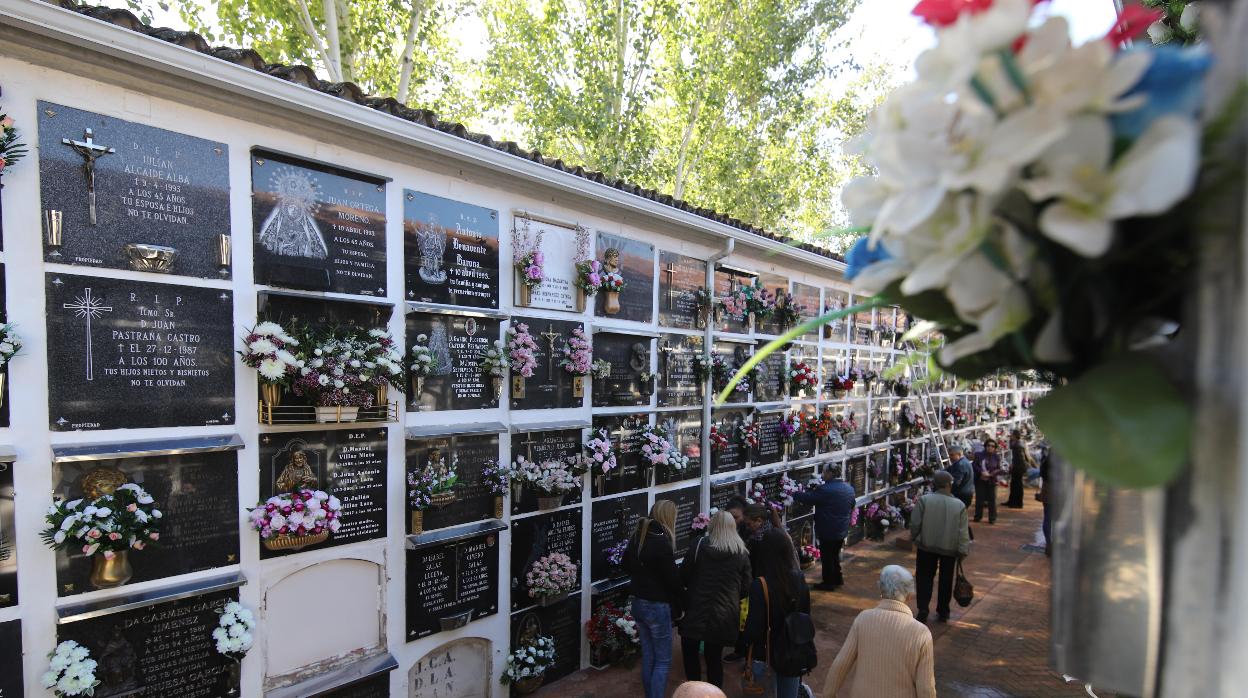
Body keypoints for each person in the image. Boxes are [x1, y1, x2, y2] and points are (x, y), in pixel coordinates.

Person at [824, 566, 936, 698]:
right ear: (910, 595)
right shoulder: (921, 633)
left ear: (880, 589)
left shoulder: (863, 619)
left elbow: (841, 664)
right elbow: (926, 689)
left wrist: (828, 694)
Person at [679, 511, 751, 688]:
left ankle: (693, 691)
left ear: (712, 525)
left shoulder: (698, 545)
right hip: (723, 616)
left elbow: (684, 576)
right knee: (714, 660)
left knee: (690, 656)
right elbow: (746, 588)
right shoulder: (740, 553)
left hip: (695, 611)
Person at [743, 528, 814, 698]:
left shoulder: (760, 585)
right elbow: (806, 614)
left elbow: (754, 628)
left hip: (765, 653)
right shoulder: (799, 578)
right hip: (792, 650)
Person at [625, 500, 684, 698]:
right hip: (657, 606)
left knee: (649, 656)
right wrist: (682, 601)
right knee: (663, 661)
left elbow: (625, 565)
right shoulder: (661, 542)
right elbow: (673, 580)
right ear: (668, 517)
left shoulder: (638, 537)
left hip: (638, 603)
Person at [909, 471, 970, 622]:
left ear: (934, 484)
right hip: (949, 549)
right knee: (946, 579)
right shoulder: (959, 505)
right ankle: (943, 610)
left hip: (926, 546)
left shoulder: (924, 500)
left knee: (924, 577)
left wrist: (915, 538)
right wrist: (962, 550)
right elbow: (963, 532)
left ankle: (923, 608)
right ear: (949, 484)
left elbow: (915, 523)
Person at [792, 465, 856, 591]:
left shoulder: (826, 489)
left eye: (824, 472)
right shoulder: (849, 488)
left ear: (830, 473)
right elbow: (852, 504)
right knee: (834, 555)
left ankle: (828, 583)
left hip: (828, 529)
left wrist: (794, 493)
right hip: (841, 528)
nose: (822, 475)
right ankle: (838, 578)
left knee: (827, 557)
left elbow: (809, 499)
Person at [972, 439, 1005, 524]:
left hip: (992, 481)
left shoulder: (996, 457)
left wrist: (992, 474)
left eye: (992, 446)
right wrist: (981, 472)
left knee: (992, 500)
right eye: (988, 445)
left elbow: (999, 468)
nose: (990, 447)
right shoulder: (978, 455)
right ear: (985, 446)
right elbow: (974, 465)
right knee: (980, 499)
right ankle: (978, 516)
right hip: (980, 480)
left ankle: (992, 518)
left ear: (995, 448)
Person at [1006, 430, 1029, 508]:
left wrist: (1014, 466)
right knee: (1015, 484)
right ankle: (1012, 501)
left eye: (1012, 435)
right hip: (1019, 466)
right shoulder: (1019, 443)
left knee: (1017, 485)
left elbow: (1019, 458)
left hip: (1018, 467)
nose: (1010, 436)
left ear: (1015, 436)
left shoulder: (1017, 445)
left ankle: (1017, 503)